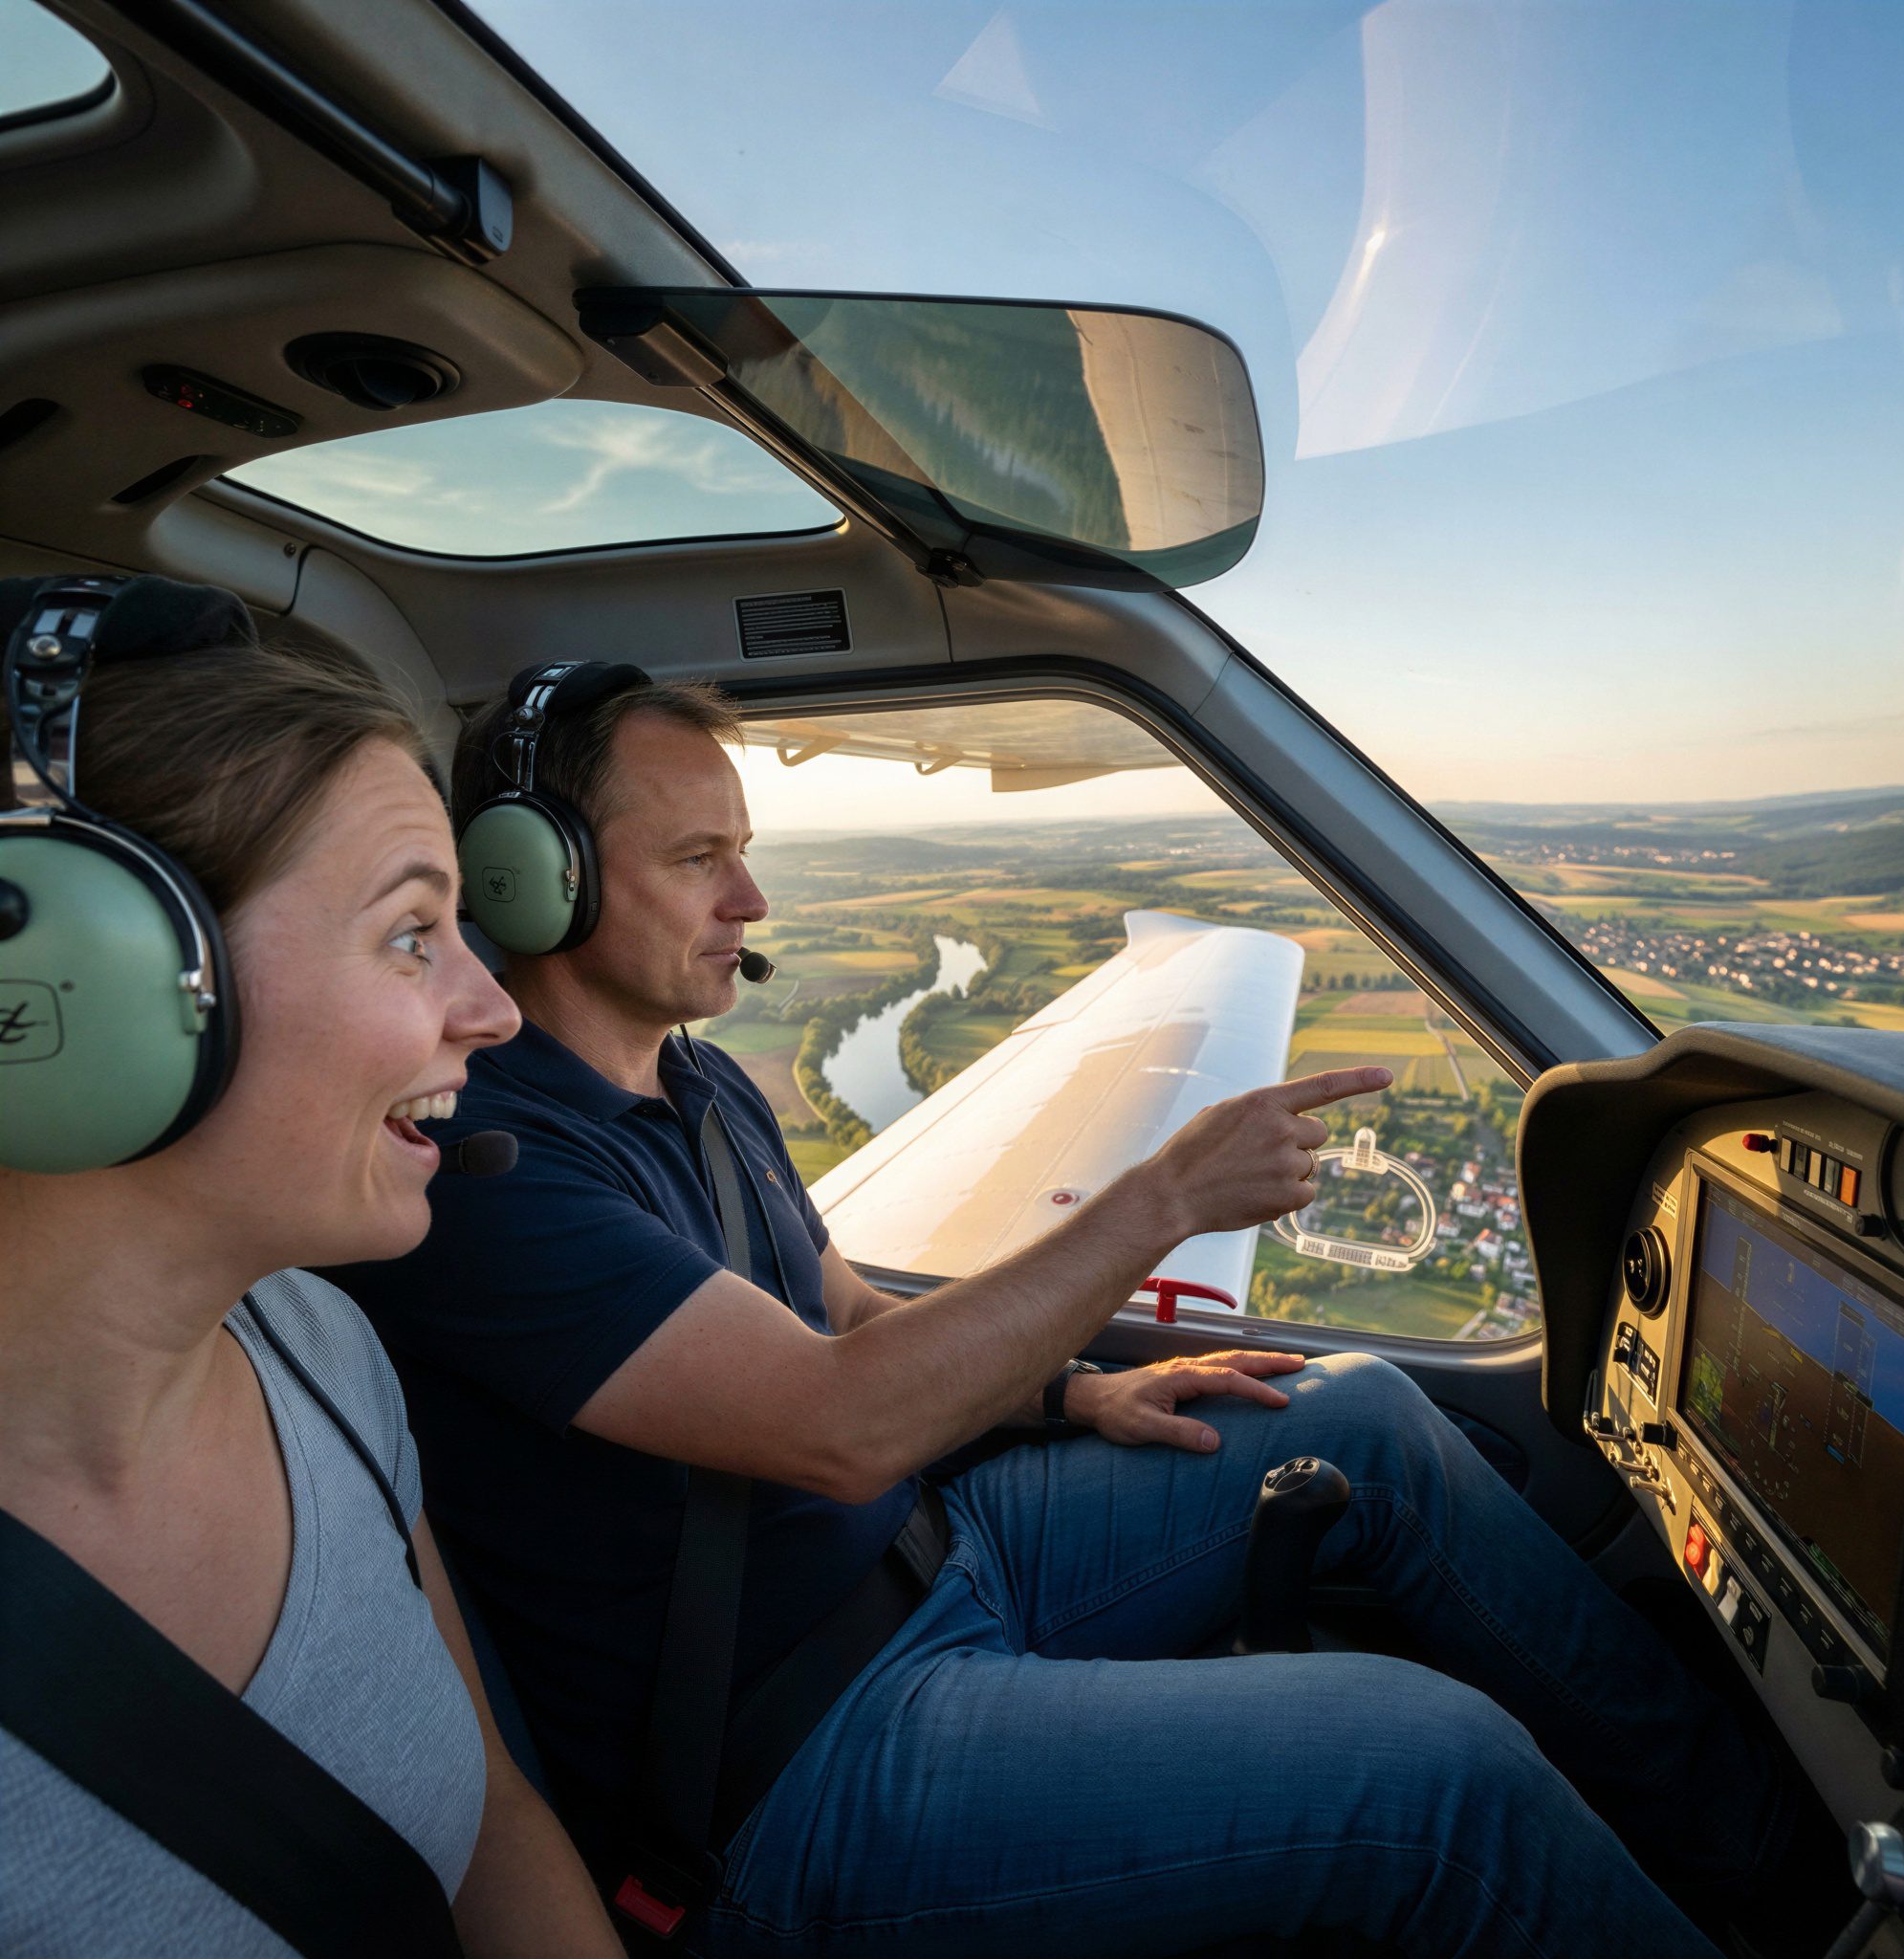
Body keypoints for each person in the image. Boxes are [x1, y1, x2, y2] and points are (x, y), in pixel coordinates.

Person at [332, 664, 1815, 1959]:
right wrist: (1164, 1196)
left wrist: (1071, 1393)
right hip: (792, 1767)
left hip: (934, 1560)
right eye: (701, 858)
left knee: (1364, 1413)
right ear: (542, 880)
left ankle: (1782, 1873)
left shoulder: (694, 1083)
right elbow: (839, 1423)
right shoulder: (488, 1173)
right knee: (1430, 1771)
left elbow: (841, 1312)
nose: (753, 901)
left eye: (749, 852)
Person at [0, 579, 624, 1957]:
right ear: (88, 980)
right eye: (412, 932)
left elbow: (493, 1831)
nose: (494, 1007)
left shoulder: (321, 1351)